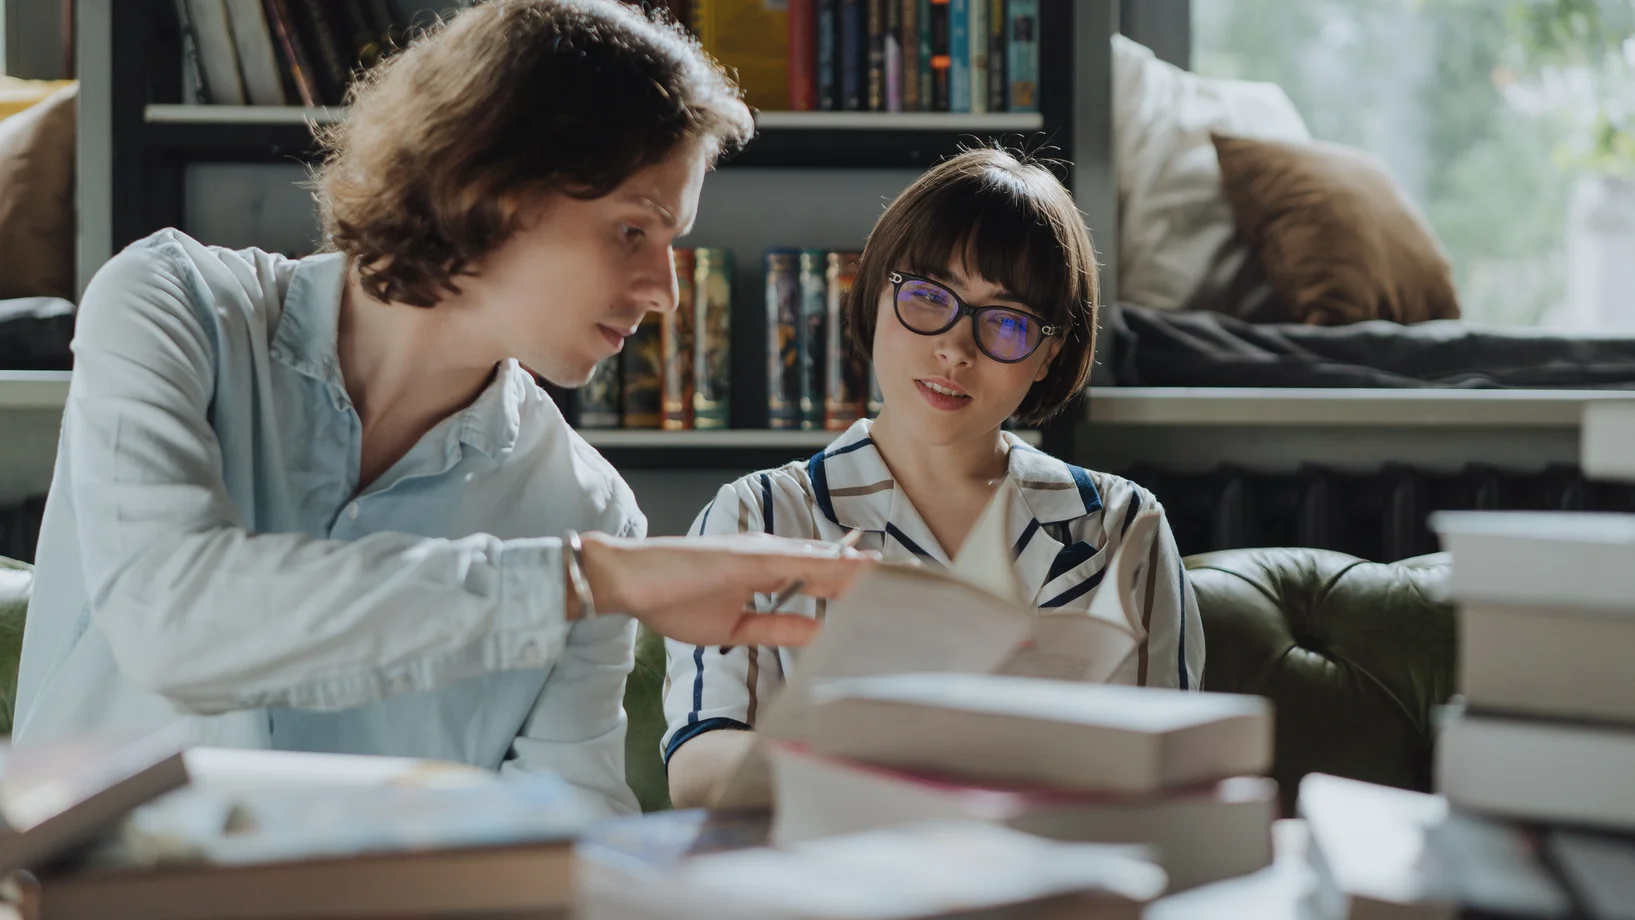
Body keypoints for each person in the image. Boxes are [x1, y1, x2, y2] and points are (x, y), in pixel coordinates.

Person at [12, 0, 867, 818]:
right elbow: (173, 625)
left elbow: (567, 824)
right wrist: (583, 580)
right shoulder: (174, 303)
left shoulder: (590, 508)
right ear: (490, 183)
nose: (665, 293)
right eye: (632, 231)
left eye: (672, 242)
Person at [662, 148, 1207, 808]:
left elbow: (1166, 772)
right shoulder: (761, 513)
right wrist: (900, 754)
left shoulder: (1121, 522)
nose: (955, 348)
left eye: (1005, 321)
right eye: (927, 297)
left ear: (1048, 354)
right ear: (876, 294)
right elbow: (697, 768)